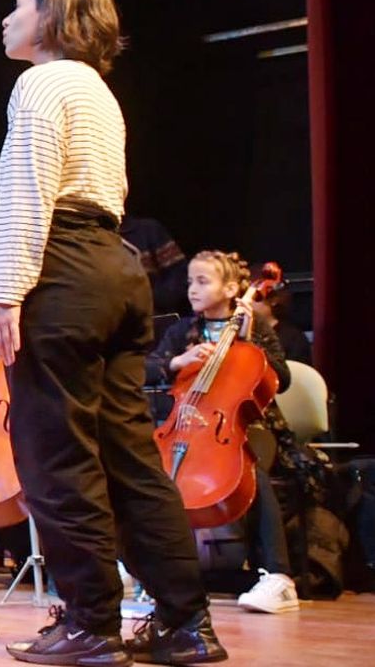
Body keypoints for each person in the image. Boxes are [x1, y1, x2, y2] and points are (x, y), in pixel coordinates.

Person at [0, 0, 225, 665]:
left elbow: (28, 194)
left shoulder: (38, 82)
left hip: (61, 268)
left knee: (57, 458)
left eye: (19, 6)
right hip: (116, 270)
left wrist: (6, 294)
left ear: (52, 16)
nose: (7, 19)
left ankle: (92, 623)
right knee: (129, 458)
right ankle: (187, 624)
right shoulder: (98, 90)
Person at [146, 250, 299, 614]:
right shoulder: (182, 330)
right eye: (189, 282)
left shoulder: (256, 326)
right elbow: (145, 368)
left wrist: (250, 340)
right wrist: (175, 362)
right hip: (191, 424)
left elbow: (284, 377)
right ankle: (139, 565)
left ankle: (279, 577)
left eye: (203, 281)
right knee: (146, 470)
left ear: (231, 288)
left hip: (248, 425)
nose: (192, 290)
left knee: (249, 467)